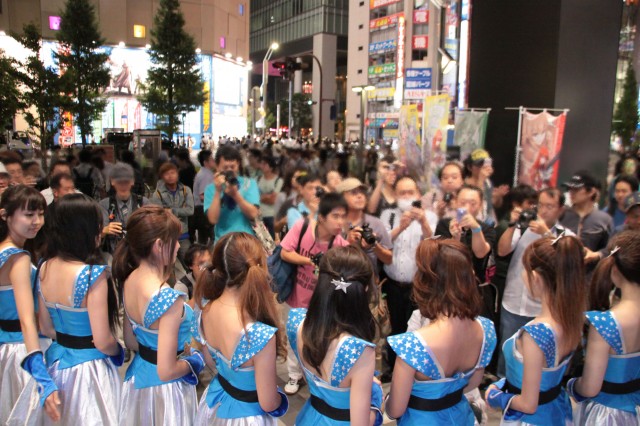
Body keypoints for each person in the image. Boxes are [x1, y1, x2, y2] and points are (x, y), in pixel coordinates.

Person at [385, 239, 497, 424]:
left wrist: (384, 400)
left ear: (426, 283)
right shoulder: (486, 330)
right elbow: (472, 383)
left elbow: (395, 410)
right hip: (461, 416)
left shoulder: (412, 344)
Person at [34, 194, 124, 424]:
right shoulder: (92, 275)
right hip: (90, 371)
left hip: (56, 364)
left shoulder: (44, 267)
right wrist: (119, 350)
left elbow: (45, 327)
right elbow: (102, 341)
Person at [113, 206, 203, 424]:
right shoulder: (168, 298)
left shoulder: (129, 279)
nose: (179, 246)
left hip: (138, 378)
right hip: (165, 391)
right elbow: (166, 370)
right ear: (159, 245)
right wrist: (195, 360)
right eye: (175, 240)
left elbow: (130, 341)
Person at [485, 235, 585, 424]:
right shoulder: (571, 320)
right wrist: (507, 383)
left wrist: (496, 396)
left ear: (536, 278)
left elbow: (528, 404)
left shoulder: (534, 335)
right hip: (556, 411)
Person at [194, 233, 289, 424]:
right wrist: (280, 399)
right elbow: (268, 402)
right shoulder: (259, 335)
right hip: (247, 417)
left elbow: (210, 361)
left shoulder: (205, 308)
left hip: (217, 402)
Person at [286, 246, 383, 425]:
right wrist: (377, 400)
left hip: (310, 417)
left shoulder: (297, 322)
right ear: (365, 289)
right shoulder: (359, 351)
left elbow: (312, 378)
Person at [496, 188, 574, 377]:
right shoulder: (524, 227)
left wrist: (546, 233)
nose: (543, 210)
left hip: (543, 309)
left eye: (550, 206)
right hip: (513, 302)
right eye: (541, 205)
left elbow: (568, 261)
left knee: (535, 361)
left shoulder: (565, 236)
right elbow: (502, 251)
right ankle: (502, 384)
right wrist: (513, 224)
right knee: (507, 356)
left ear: (560, 209)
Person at [279, 193, 350, 395]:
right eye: (335, 216)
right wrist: (309, 261)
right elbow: (285, 252)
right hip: (296, 297)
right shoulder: (302, 227)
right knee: (294, 337)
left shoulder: (341, 245)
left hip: (323, 304)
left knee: (320, 338)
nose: (340, 222)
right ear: (322, 217)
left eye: (343, 216)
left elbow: (344, 279)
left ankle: (315, 374)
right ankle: (294, 374)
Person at [0, 186, 60, 423]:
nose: (36, 221)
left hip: (9, 349)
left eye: (40, 214)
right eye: (28, 215)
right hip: (25, 352)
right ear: (5, 215)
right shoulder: (18, 258)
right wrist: (41, 376)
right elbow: (26, 319)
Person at [568, 231, 640, 424]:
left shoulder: (606, 323)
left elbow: (590, 387)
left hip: (608, 415)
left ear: (614, 270)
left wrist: (573, 385)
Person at [378, 176, 437, 381]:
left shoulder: (430, 216)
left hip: (418, 285)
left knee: (417, 328)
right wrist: (400, 227)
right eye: (401, 193)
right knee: (395, 327)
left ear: (418, 194)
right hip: (393, 283)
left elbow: (434, 245)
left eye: (410, 192)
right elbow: (381, 244)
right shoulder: (388, 215)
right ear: (395, 195)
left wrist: (423, 222)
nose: (406, 196)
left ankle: (413, 369)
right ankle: (392, 367)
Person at [436, 185, 497, 319]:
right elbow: (442, 257)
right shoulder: (444, 225)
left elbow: (480, 253)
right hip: (449, 289)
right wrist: (455, 238)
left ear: (480, 205)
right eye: (463, 203)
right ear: (456, 202)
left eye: (473, 203)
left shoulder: (487, 228)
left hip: (477, 291)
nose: (467, 208)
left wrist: (476, 229)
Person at [338, 177, 392, 277]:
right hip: (340, 281)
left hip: (368, 283)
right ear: (341, 198)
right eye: (353, 192)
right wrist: (347, 243)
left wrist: (375, 246)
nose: (360, 196)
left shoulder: (376, 223)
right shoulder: (335, 223)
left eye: (362, 192)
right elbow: (326, 259)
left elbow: (389, 260)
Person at [204, 146, 260, 241]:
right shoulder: (210, 189)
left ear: (238, 165)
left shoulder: (250, 184)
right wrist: (217, 191)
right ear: (217, 166)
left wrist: (235, 195)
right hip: (222, 241)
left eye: (233, 167)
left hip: (246, 240)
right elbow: (213, 219)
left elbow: (253, 214)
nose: (229, 170)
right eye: (225, 167)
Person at [561, 171, 613, 266]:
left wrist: (597, 255)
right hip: (561, 269)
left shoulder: (604, 219)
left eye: (576, 189)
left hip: (590, 271)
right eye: (570, 189)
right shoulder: (562, 214)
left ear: (591, 191)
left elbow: (612, 247)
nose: (571, 193)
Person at [100, 163, 150, 255]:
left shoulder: (144, 202)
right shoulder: (104, 204)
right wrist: (104, 230)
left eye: (126, 182)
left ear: (132, 182)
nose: (123, 186)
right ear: (112, 182)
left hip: (138, 252)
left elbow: (151, 230)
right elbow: (97, 236)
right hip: (113, 253)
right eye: (119, 182)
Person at [151, 162, 194, 261]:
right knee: (167, 265)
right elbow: (158, 214)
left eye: (173, 173)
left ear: (177, 174)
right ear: (162, 177)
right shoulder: (157, 194)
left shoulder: (186, 190)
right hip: (166, 235)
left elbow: (190, 210)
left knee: (189, 261)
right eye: (166, 174)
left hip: (183, 234)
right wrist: (180, 210)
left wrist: (171, 211)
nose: (170, 176)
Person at [192, 150, 215, 245]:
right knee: (212, 238)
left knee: (203, 239)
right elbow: (203, 196)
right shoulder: (206, 175)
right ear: (206, 162)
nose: (214, 161)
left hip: (201, 209)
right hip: (203, 209)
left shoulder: (205, 173)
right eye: (212, 159)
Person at [258, 156, 283, 238]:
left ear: (271, 167)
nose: (262, 166)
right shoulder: (258, 179)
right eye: (262, 164)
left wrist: (261, 197)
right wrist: (268, 196)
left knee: (272, 239)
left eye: (265, 164)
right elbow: (255, 197)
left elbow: (273, 200)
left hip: (272, 215)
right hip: (259, 215)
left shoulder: (278, 180)